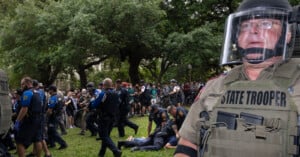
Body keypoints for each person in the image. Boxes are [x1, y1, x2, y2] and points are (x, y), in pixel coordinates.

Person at [174, 0, 300, 157]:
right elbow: (188, 144)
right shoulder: (215, 86)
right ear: (236, 37)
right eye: (245, 26)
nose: (253, 31)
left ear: (288, 33)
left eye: (266, 23)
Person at [91, 78, 122, 157]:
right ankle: (102, 153)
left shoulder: (103, 94)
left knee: (103, 136)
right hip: (112, 117)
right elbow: (119, 103)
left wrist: (93, 101)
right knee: (106, 136)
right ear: (111, 85)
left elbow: (94, 104)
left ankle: (116, 151)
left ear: (104, 85)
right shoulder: (116, 93)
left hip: (104, 117)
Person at [14, 77, 43, 157]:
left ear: (27, 83)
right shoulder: (38, 93)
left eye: (22, 84)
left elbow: (24, 108)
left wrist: (18, 121)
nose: (21, 86)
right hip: (38, 119)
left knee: (19, 141)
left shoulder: (27, 93)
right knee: (37, 139)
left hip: (30, 120)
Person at [46, 85, 68, 150]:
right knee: (50, 131)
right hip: (58, 115)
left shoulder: (53, 98)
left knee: (53, 131)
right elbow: (63, 104)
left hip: (53, 117)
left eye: (49, 90)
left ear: (52, 90)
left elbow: (50, 110)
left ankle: (63, 144)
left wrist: (46, 117)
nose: (48, 91)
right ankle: (52, 143)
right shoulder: (59, 97)